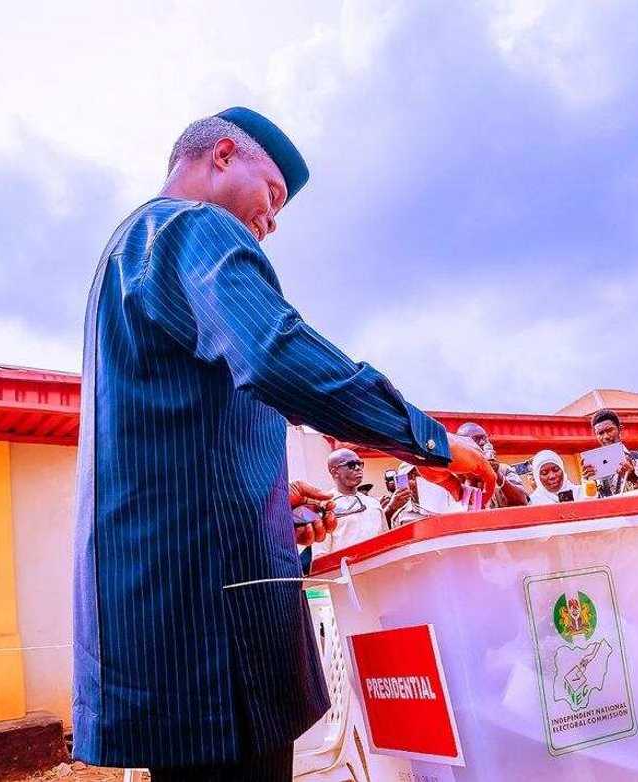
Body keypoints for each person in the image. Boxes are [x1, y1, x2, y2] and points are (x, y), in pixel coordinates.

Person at [73, 107, 495, 780]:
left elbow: (173, 437)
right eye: (271, 196)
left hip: (157, 618)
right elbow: (277, 355)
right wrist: (429, 443)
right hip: (215, 630)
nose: (270, 223)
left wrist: (269, 504)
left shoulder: (126, 252)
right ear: (222, 155)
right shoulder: (193, 227)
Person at [311, 449, 387, 556]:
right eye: (351, 465)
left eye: (360, 464)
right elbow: (320, 555)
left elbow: (386, 542)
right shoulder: (325, 507)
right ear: (335, 472)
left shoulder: (373, 503)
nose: (358, 468)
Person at [456, 421, 529, 507]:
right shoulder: (455, 475)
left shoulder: (503, 469)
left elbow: (522, 501)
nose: (483, 442)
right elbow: (464, 508)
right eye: (476, 439)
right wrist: (471, 477)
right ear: (462, 445)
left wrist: (497, 474)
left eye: (484, 438)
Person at [581, 408, 638, 496]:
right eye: (600, 433)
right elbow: (593, 500)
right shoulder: (594, 469)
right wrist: (587, 481)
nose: (606, 436)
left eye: (609, 430)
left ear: (620, 429)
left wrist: (633, 478)